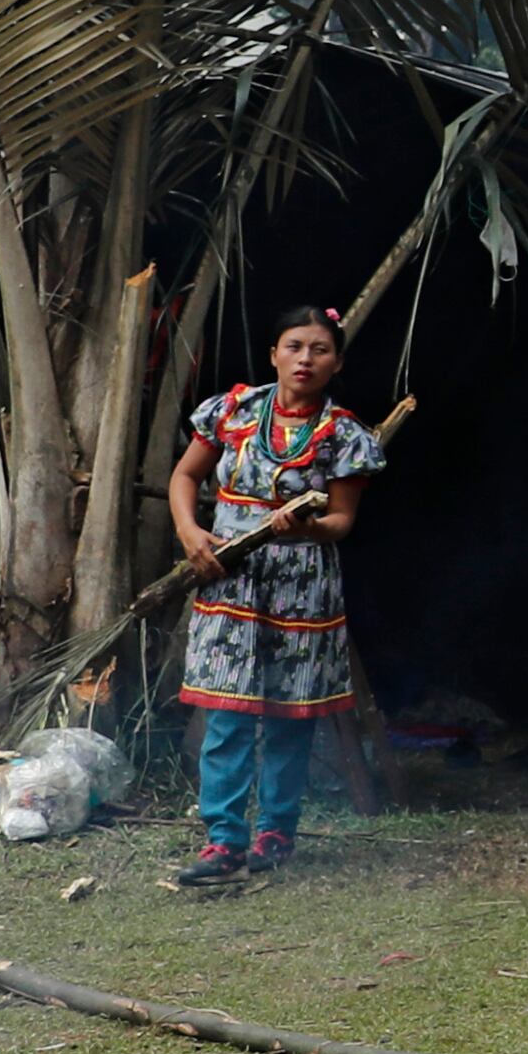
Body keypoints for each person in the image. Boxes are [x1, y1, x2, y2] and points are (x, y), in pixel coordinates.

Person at [162, 305, 385, 890]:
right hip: (230, 577)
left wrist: (307, 527)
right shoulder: (234, 412)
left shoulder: (344, 435)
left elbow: (341, 521)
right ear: (273, 354)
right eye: (293, 346)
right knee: (228, 713)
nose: (305, 359)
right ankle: (223, 839)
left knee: (290, 715)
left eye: (319, 349)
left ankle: (276, 832)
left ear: (336, 361)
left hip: (302, 584)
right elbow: (185, 477)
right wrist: (191, 533)